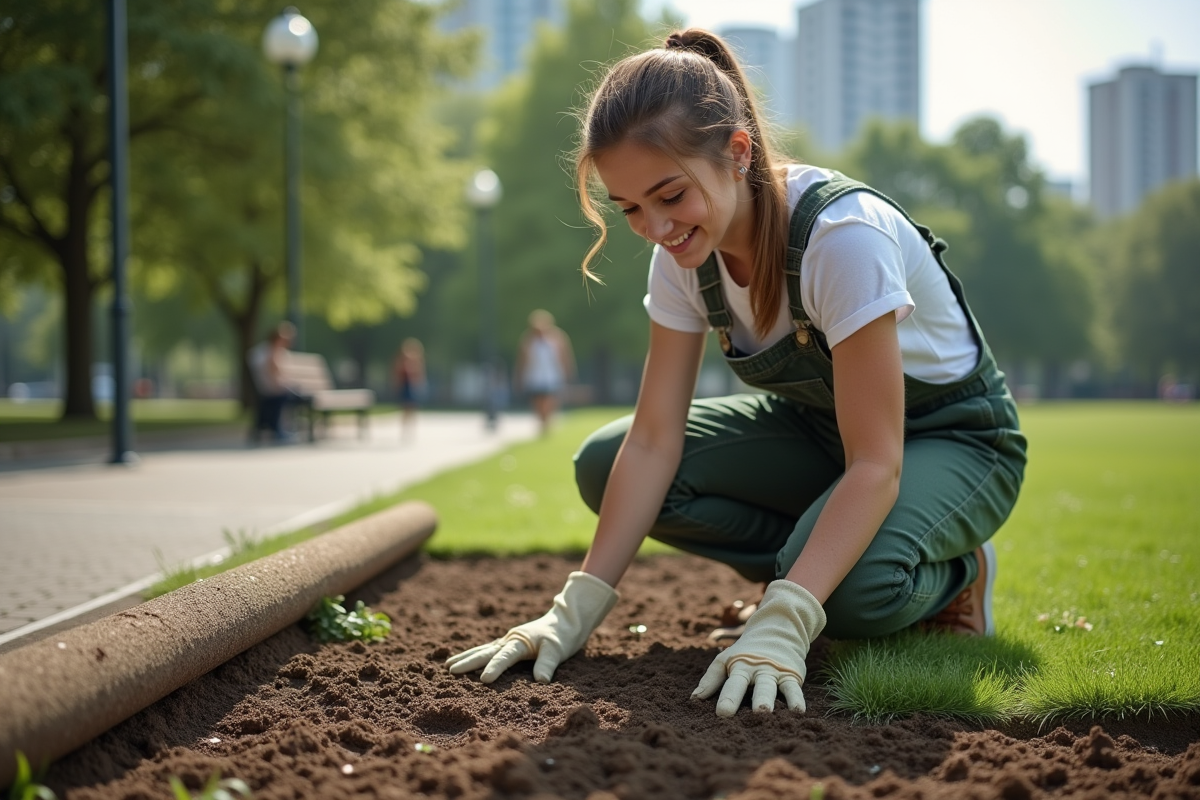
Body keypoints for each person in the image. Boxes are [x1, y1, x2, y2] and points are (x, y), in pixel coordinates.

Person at [446, 30, 1027, 718]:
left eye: (669, 196)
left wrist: (786, 619)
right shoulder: (682, 259)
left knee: (847, 600)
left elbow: (877, 461)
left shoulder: (843, 240)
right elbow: (654, 439)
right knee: (603, 464)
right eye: (630, 208)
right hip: (822, 438)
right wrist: (570, 614)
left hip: (951, 442)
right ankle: (802, 566)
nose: (656, 228)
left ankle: (957, 573)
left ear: (737, 152)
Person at [515, 309, 576, 435]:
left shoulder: (557, 338)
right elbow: (522, 360)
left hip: (552, 375)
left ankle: (547, 424)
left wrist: (568, 372)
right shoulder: (528, 340)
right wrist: (519, 377)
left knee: (549, 400)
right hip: (534, 376)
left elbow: (565, 357)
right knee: (538, 401)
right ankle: (542, 422)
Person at [247, 321, 299, 443]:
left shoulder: (277, 352)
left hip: (274, 388)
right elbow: (272, 374)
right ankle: (277, 428)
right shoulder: (266, 352)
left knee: (282, 397)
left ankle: (265, 427)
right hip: (270, 389)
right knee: (281, 397)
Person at [392, 337, 428, 441]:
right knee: (406, 408)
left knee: (413, 408)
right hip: (406, 387)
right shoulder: (402, 362)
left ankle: (411, 429)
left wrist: (420, 385)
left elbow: (420, 376)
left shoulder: (418, 361)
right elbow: (397, 375)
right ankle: (404, 429)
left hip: (413, 387)